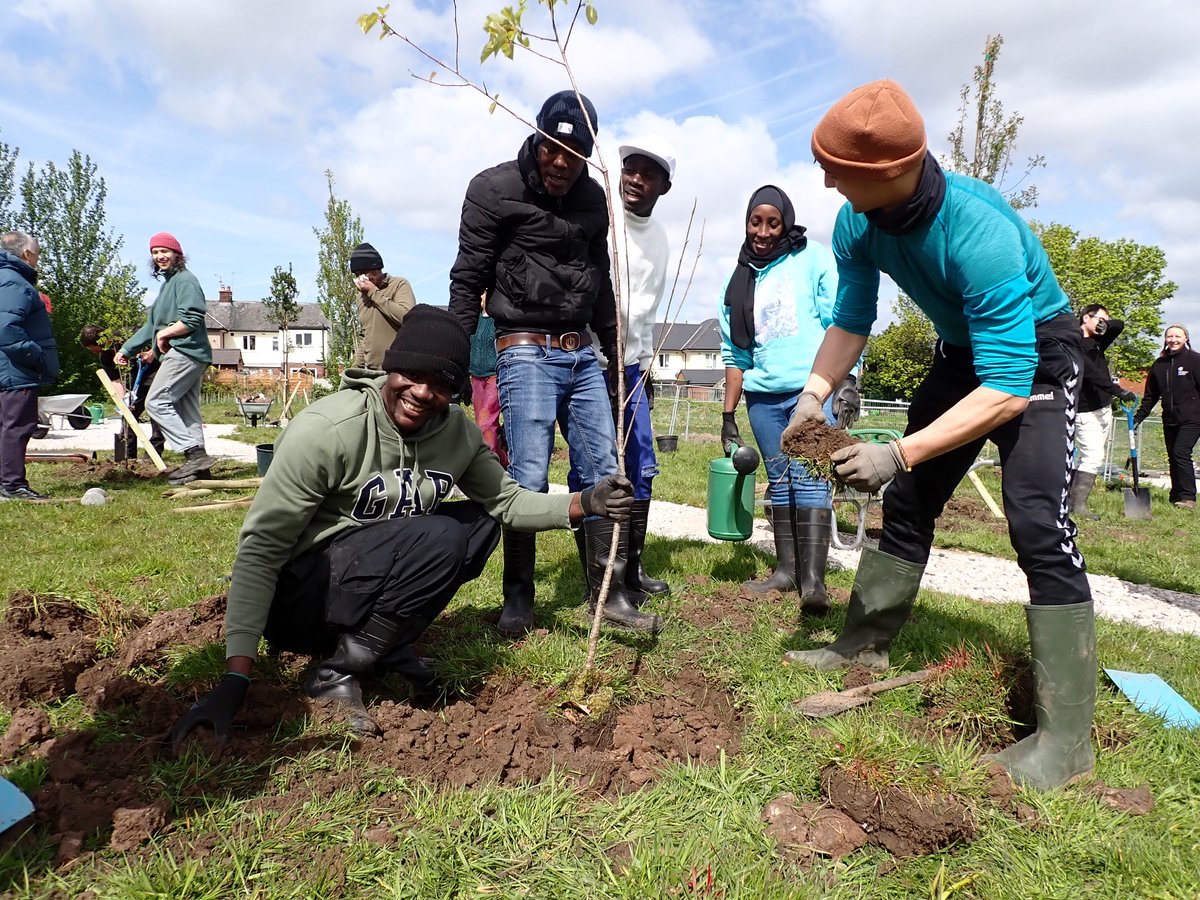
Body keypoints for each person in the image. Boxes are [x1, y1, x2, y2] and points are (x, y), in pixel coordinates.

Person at [784, 79, 1094, 791]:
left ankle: (1067, 744)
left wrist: (897, 452)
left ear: (888, 172)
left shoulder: (977, 229)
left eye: (835, 169)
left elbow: (1010, 386)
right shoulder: (857, 223)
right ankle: (861, 650)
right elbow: (853, 319)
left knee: (1038, 525)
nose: (825, 178)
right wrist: (813, 395)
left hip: (1036, 357)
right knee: (912, 504)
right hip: (962, 355)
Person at [168, 307, 635, 744]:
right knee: (442, 536)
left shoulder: (457, 435)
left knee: (479, 523)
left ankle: (372, 648)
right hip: (298, 601)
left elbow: (508, 503)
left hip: (362, 580)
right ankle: (332, 676)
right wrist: (236, 674)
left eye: (440, 384)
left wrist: (587, 502)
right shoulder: (328, 431)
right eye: (411, 374)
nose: (421, 393)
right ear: (391, 368)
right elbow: (262, 547)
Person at [447, 90, 660, 636]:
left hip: (581, 350)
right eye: (553, 150)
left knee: (603, 470)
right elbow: (468, 276)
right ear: (538, 139)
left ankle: (607, 596)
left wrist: (614, 363)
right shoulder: (493, 190)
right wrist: (450, 356)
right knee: (530, 477)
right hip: (523, 348)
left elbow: (603, 286)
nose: (562, 164)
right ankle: (518, 598)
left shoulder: (594, 200)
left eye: (576, 155)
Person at [717, 184, 851, 615]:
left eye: (772, 222)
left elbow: (840, 321)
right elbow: (734, 354)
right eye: (756, 222)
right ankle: (786, 571)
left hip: (810, 391)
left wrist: (845, 381)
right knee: (779, 480)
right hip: (761, 395)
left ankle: (813, 582)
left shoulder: (812, 257)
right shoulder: (738, 278)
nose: (763, 231)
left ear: (785, 223)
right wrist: (727, 413)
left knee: (810, 476)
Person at [566, 137, 677, 601]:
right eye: (629, 168)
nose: (635, 179)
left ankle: (632, 568)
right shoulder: (601, 220)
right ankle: (602, 574)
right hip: (592, 358)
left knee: (642, 465)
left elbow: (647, 315)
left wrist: (646, 368)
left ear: (663, 186)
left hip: (631, 366)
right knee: (595, 468)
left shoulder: (663, 241)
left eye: (647, 173)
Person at [114, 233, 213, 483]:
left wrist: (164, 335)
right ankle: (200, 469)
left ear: (177, 254)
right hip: (188, 353)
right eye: (155, 252)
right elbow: (151, 326)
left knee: (156, 402)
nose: (159, 256)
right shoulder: (168, 285)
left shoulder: (185, 281)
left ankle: (193, 455)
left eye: (164, 251)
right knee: (187, 409)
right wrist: (127, 349)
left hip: (185, 351)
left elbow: (192, 318)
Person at [0, 231, 59, 501]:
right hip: (16, 369)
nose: (37, 259)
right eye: (37, 254)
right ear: (26, 254)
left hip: (8, 367)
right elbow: (6, 329)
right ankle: (12, 485)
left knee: (6, 426)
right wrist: (35, 356)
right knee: (18, 426)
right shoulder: (15, 283)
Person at [1071, 305, 1137, 518]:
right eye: (1098, 319)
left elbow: (1119, 326)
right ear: (1085, 317)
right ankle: (1078, 507)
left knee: (1087, 458)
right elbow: (1092, 375)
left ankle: (1071, 504)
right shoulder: (1075, 343)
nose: (1102, 324)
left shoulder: (1097, 342)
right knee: (1093, 456)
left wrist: (1105, 324)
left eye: (1104, 320)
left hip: (1102, 409)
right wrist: (1119, 391)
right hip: (1085, 411)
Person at [1133, 324, 1200, 509]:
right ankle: (1176, 495)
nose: (1173, 340)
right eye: (1170, 336)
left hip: (1193, 418)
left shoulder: (1195, 360)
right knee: (1173, 456)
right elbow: (1151, 395)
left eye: (1177, 336)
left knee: (1181, 452)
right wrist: (1139, 417)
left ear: (1186, 338)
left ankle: (1188, 497)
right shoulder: (1159, 364)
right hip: (1170, 418)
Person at [80, 324, 165, 460]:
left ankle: (153, 454)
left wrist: (151, 353)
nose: (92, 351)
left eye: (90, 348)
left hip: (155, 372)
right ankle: (128, 456)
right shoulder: (105, 356)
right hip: (134, 381)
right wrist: (124, 401)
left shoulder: (129, 334)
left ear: (98, 342)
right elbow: (115, 380)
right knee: (128, 415)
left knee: (155, 411)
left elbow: (158, 336)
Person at [350, 242, 416, 370]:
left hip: (399, 370)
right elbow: (366, 336)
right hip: (372, 372)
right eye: (356, 274)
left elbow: (407, 318)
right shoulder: (361, 297)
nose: (360, 278)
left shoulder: (399, 285)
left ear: (377, 269)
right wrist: (354, 369)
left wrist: (373, 292)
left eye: (363, 273)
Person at [469, 293, 508, 467]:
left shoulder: (497, 320)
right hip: (476, 375)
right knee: (481, 423)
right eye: (481, 293)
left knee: (486, 422)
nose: (483, 296)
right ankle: (503, 462)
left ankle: (488, 465)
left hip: (494, 375)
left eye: (486, 292)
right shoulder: (473, 319)